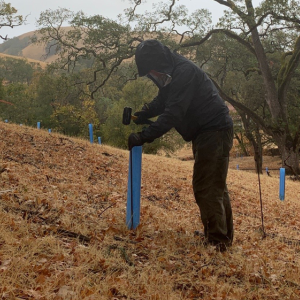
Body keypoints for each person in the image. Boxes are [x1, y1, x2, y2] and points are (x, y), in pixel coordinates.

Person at [128, 39, 233, 252]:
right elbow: (164, 99)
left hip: (214, 131)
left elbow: (173, 114)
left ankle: (217, 242)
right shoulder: (172, 70)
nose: (151, 76)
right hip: (207, 132)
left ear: (158, 64)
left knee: (207, 186)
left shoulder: (184, 73)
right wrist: (145, 112)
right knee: (215, 185)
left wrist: (143, 136)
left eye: (150, 72)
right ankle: (219, 235)